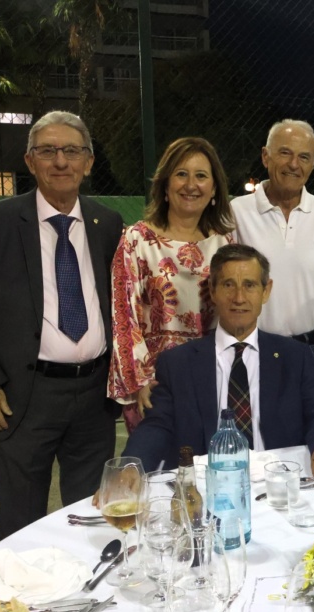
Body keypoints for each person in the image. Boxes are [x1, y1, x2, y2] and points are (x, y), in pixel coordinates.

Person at [0, 111, 123, 540]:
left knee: (92, 519)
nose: (61, 161)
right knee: (21, 523)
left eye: (72, 151)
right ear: (30, 161)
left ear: (88, 162)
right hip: (21, 397)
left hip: (94, 398)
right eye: (48, 151)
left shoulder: (108, 224)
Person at [122, 244, 314, 478]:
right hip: (209, 484)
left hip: (278, 478)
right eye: (228, 285)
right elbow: (157, 426)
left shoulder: (294, 356)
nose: (239, 298)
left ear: (266, 291)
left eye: (249, 285)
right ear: (212, 290)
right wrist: (130, 467)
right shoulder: (177, 363)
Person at [108, 137, 235, 432]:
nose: (191, 185)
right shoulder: (137, 241)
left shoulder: (225, 244)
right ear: (165, 185)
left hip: (212, 380)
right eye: (181, 174)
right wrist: (139, 381)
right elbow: (124, 316)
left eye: (201, 176)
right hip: (155, 386)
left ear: (214, 189)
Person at [232, 120, 314, 389]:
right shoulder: (237, 212)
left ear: (313, 165)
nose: (294, 164)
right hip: (254, 353)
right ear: (266, 156)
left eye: (304, 157)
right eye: (285, 153)